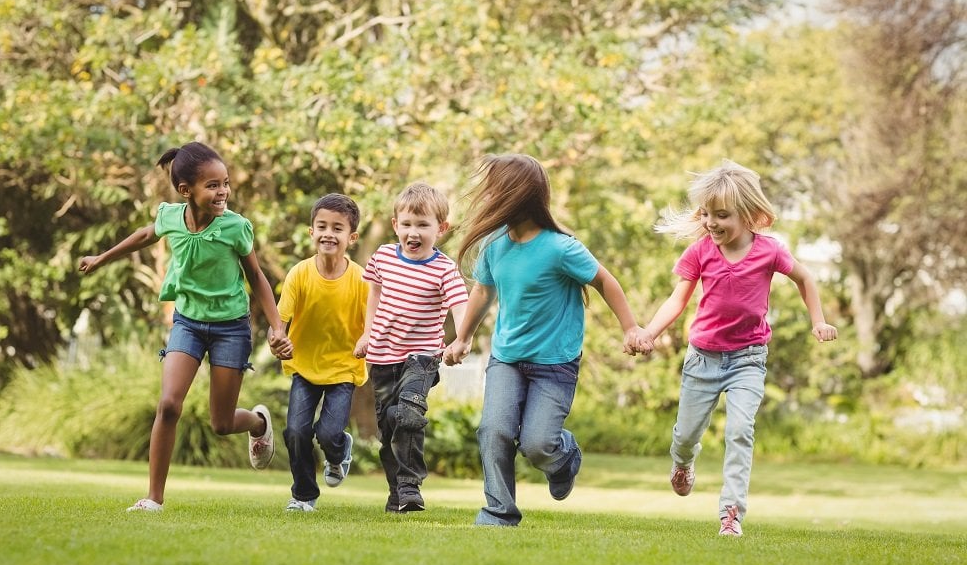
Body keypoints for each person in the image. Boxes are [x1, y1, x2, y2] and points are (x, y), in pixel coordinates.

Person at [79, 142, 292, 512]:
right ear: (185, 191)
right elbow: (146, 235)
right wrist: (102, 258)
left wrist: (276, 328)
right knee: (168, 405)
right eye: (212, 185)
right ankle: (153, 498)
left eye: (225, 183)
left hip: (231, 326)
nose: (222, 191)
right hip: (188, 323)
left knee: (222, 423)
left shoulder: (236, 227)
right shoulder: (171, 217)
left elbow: (256, 276)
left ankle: (257, 422)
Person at [443, 153, 651, 527]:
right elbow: (482, 292)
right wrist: (462, 337)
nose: (488, 199)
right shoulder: (494, 245)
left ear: (517, 196)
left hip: (554, 362)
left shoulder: (560, 247)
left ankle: (563, 457)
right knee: (494, 430)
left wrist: (630, 327)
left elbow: (605, 280)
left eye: (495, 191)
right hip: (507, 357)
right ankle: (499, 512)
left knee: (538, 445)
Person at [639, 159, 838, 537]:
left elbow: (805, 277)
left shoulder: (770, 251)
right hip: (702, 358)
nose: (712, 223)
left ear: (748, 215)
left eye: (722, 215)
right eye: (707, 214)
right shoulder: (700, 252)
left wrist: (818, 320)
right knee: (685, 435)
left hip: (748, 358)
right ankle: (683, 463)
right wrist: (649, 332)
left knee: (740, 431)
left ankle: (731, 513)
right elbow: (676, 300)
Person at [354, 182, 469, 513]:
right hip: (382, 356)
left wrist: (462, 339)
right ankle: (397, 491)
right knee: (388, 426)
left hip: (422, 357)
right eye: (406, 224)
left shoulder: (444, 268)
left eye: (423, 225)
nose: (413, 232)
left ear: (441, 228)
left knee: (407, 413)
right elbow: (374, 295)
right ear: (395, 225)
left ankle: (410, 485)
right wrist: (367, 334)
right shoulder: (384, 257)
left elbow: (460, 307)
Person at [277, 193, 369, 513]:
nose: (329, 233)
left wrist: (367, 339)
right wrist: (277, 339)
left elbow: (371, 320)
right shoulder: (299, 274)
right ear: (311, 232)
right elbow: (281, 321)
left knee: (329, 433)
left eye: (337, 228)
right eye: (322, 226)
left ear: (351, 237)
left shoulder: (361, 278)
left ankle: (339, 450)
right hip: (304, 366)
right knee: (296, 432)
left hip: (343, 367)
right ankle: (303, 496)